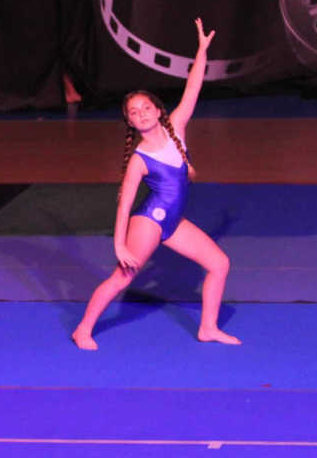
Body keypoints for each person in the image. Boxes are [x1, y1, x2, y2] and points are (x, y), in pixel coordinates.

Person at [71, 19, 241, 350]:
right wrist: (119, 246)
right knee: (122, 278)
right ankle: (83, 329)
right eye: (134, 112)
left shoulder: (176, 126)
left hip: (173, 221)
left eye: (146, 108)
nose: (142, 114)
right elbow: (124, 204)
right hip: (149, 221)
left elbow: (193, 88)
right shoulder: (139, 159)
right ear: (130, 121)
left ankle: (208, 328)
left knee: (219, 264)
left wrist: (202, 51)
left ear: (158, 110)